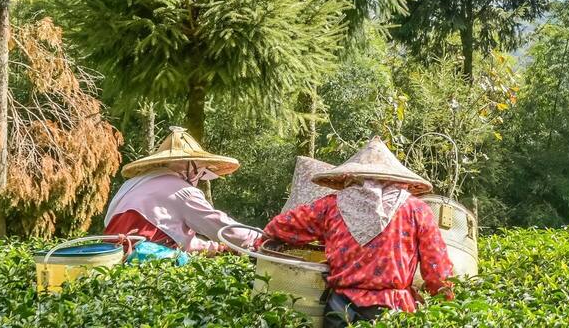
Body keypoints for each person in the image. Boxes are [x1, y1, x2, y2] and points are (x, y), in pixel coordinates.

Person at [263, 138, 454, 328]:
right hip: (392, 312)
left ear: (353, 178)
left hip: (340, 310)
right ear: (398, 181)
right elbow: (437, 268)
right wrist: (445, 304)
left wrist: (262, 244)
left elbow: (280, 226)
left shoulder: (330, 206)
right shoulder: (416, 210)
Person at [102, 127, 261, 253]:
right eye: (201, 172)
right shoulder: (183, 191)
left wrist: (214, 248)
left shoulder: (131, 185)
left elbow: (177, 239)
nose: (200, 177)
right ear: (191, 167)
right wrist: (261, 238)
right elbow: (220, 227)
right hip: (145, 262)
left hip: (110, 257)